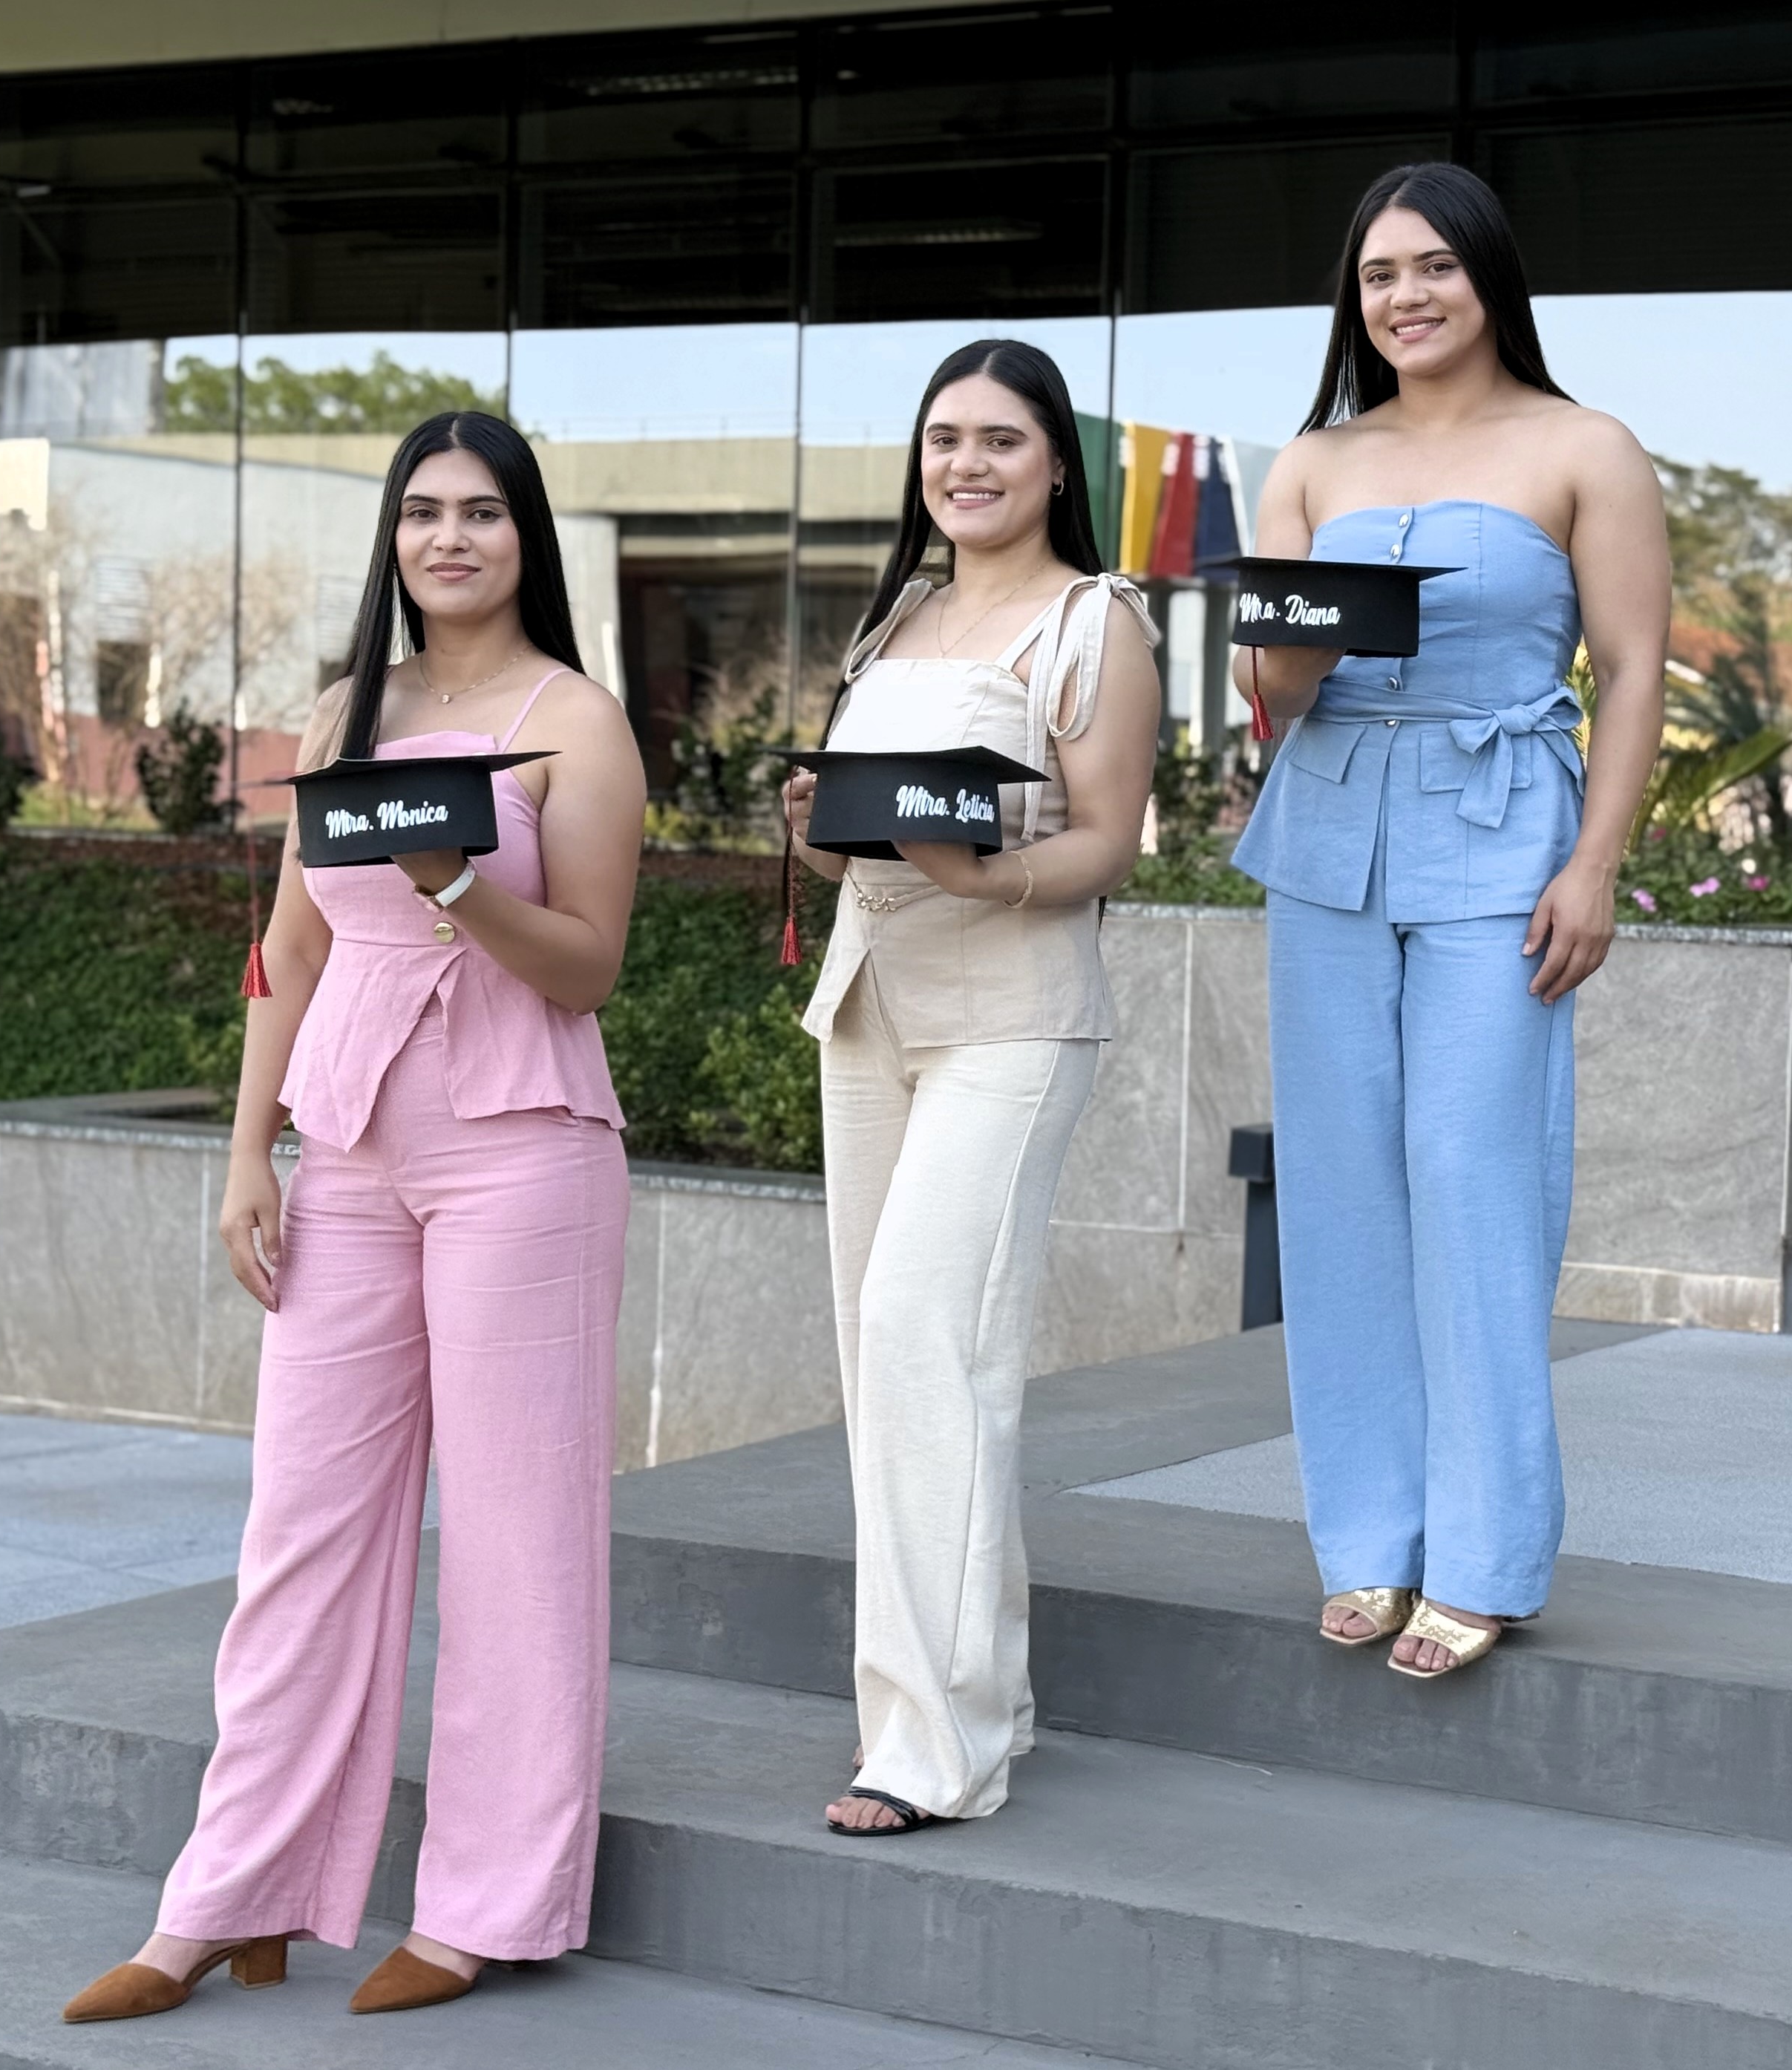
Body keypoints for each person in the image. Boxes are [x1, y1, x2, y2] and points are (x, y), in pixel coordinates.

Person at [62, 411, 644, 2023]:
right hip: (350, 1151)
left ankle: (484, 1906)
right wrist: (249, 1151)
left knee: (519, 1539)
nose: (450, 538)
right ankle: (231, 1896)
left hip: (523, 1149)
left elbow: (591, 967)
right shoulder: (345, 712)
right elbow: (292, 948)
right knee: (300, 1529)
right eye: (423, 512)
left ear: (526, 536)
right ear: (394, 537)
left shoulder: (574, 721)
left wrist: (461, 882)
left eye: (482, 512)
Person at [1232, 162, 1667, 1682]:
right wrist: (1283, 659)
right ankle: (1368, 1533)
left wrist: (1595, 862)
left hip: (1504, 833)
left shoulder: (1584, 447)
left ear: (1487, 276)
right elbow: (1270, 691)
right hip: (1328, 836)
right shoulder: (1311, 461)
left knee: (1475, 1180)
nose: (1403, 297)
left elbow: (1631, 668)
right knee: (1340, 1190)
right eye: (1376, 275)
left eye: (1431, 267)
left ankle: (1483, 1554)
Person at [781, 339, 1159, 1836]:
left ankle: (929, 1750)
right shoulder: (897, 617)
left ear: (1056, 461)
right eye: (945, 438)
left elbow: (1107, 842)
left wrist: (979, 873)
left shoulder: (1095, 621)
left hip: (1010, 1015)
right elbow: (860, 842)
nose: (967, 464)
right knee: (889, 1364)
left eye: (1000, 438)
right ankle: (976, 1693)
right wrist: (816, 825)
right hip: (871, 1001)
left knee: (920, 1332)